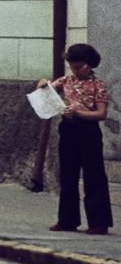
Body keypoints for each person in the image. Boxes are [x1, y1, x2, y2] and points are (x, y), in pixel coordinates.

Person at [39, 43, 112, 235]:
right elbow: (47, 91)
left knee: (93, 175)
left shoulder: (98, 85)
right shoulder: (66, 81)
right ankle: (67, 220)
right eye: (72, 66)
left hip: (88, 131)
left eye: (79, 66)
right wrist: (43, 85)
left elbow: (101, 113)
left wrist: (79, 112)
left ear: (89, 65)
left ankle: (99, 222)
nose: (76, 70)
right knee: (67, 174)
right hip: (68, 130)